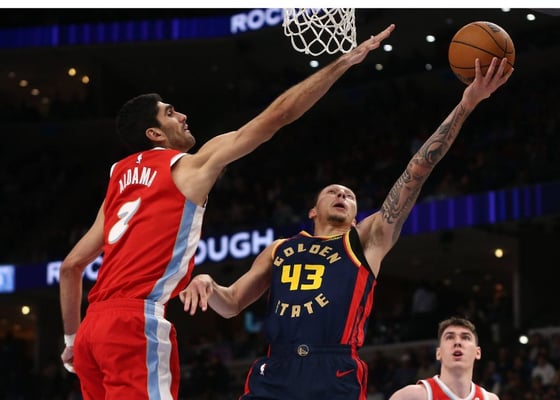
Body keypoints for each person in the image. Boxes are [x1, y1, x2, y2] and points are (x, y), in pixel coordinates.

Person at [58, 24, 396, 400]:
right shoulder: (189, 166)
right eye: (170, 113)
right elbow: (277, 116)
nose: (182, 115)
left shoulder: (118, 179)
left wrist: (72, 340)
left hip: (91, 330)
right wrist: (343, 63)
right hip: (132, 319)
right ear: (154, 134)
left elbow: (71, 266)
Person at [180, 56, 513, 400]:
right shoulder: (280, 249)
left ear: (355, 217)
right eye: (333, 192)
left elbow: (416, 172)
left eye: (349, 195)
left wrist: (466, 104)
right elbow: (232, 303)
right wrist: (209, 284)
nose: (341, 194)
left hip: (334, 370)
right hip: (276, 369)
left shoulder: (365, 241)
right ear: (312, 210)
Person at [388, 317, 499, 400]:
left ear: (477, 353)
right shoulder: (412, 396)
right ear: (438, 353)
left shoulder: (490, 399)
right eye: (450, 337)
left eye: (465, 337)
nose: (457, 342)